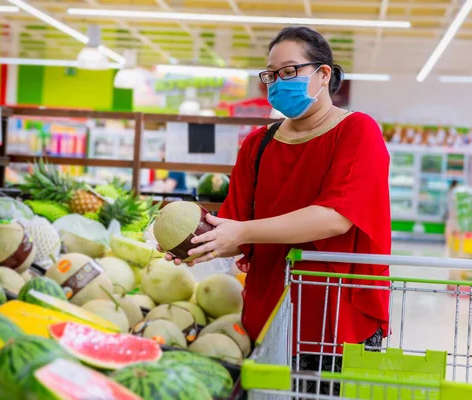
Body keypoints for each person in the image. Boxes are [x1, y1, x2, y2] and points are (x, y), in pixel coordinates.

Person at [162, 26, 391, 393]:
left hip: (336, 315)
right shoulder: (258, 143)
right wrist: (197, 240)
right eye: (270, 74)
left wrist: (244, 232)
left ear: (323, 74)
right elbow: (234, 226)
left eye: (289, 71)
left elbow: (335, 216)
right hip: (269, 310)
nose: (277, 82)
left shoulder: (357, 131)